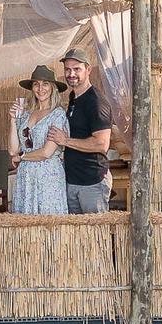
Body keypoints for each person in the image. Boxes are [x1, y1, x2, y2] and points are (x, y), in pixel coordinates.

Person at [48, 48, 112, 214]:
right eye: (68, 69)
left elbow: (102, 144)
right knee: (75, 236)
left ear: (88, 69)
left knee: (96, 234)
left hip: (92, 182)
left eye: (77, 69)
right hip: (72, 180)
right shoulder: (73, 98)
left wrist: (65, 141)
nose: (71, 74)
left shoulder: (96, 102)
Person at [7, 65, 70, 214]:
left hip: (48, 177)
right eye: (36, 84)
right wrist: (12, 121)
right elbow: (13, 150)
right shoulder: (27, 114)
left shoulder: (57, 115)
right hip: (26, 178)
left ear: (53, 88)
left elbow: (46, 152)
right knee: (26, 226)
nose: (40, 88)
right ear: (32, 88)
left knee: (48, 223)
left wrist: (21, 157)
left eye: (45, 84)